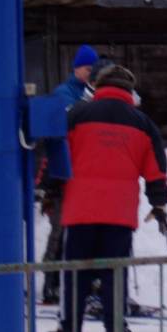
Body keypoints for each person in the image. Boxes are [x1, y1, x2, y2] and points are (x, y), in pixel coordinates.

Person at [47, 65, 167, 332]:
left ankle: (70, 329)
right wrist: (159, 203)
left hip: (81, 208)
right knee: (115, 271)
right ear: (129, 90)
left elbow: (57, 155)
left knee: (75, 270)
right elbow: (156, 169)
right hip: (119, 212)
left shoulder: (77, 115)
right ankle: (115, 329)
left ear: (98, 86)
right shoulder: (143, 123)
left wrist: (50, 189)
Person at [40, 54, 112, 304]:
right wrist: (50, 182)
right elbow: (60, 135)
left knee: (85, 234)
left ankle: (89, 282)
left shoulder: (91, 98)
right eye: (87, 69)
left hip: (83, 177)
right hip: (63, 174)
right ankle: (51, 282)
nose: (91, 74)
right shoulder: (67, 95)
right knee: (60, 231)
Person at [53, 44, 99, 109]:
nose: (92, 73)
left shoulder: (96, 89)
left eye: (94, 70)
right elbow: (72, 113)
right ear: (76, 68)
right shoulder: (62, 92)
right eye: (88, 69)